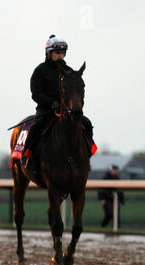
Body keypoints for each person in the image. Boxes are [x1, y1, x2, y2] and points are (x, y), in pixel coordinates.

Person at [22, 34, 93, 173]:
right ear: (49, 53)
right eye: (57, 53)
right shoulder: (40, 70)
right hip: (46, 110)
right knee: (36, 128)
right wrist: (51, 102)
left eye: (62, 53)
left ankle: (87, 157)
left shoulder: (70, 72)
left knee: (87, 124)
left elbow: (76, 92)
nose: (61, 56)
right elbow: (35, 94)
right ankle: (29, 160)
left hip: (67, 111)